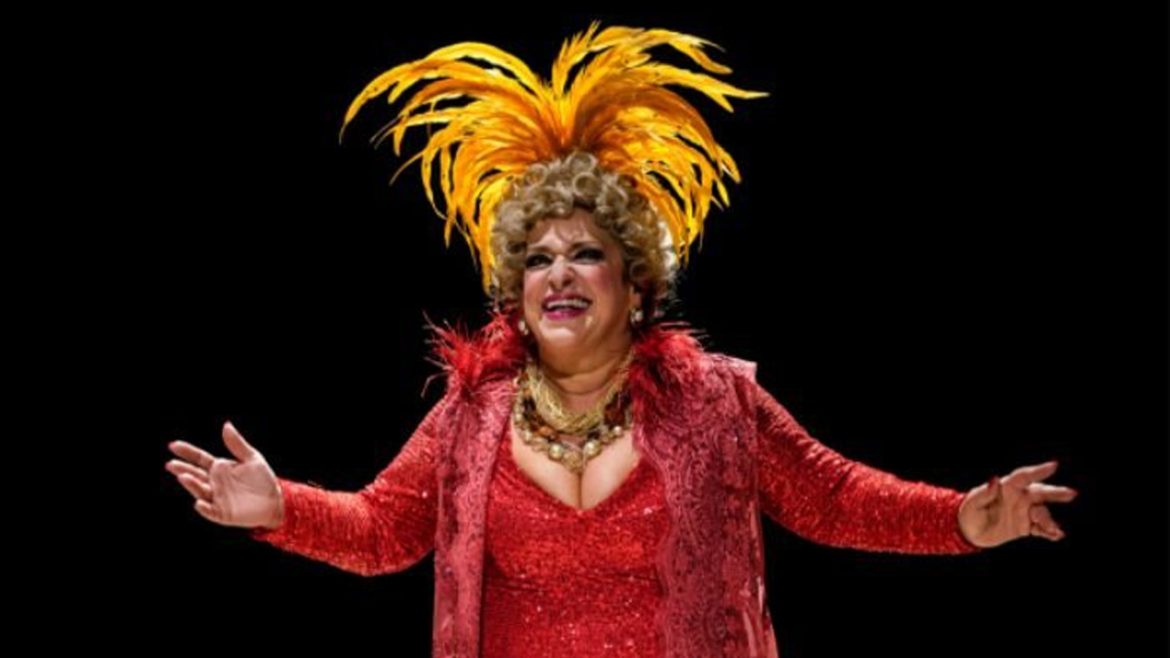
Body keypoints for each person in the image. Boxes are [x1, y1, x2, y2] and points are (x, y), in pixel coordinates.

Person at [164, 22, 1077, 658]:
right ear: (516, 292)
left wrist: (964, 519)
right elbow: (383, 530)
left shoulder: (718, 401)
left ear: (636, 285)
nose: (558, 274)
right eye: (537, 259)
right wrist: (278, 509)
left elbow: (835, 499)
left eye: (586, 253)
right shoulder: (472, 416)